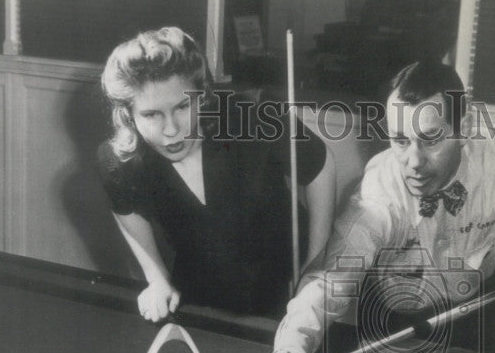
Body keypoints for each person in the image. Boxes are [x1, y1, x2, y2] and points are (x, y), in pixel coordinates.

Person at [256, 59, 495, 353]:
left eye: (430, 140)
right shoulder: (378, 193)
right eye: (400, 141)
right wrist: (289, 350)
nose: (413, 162)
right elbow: (330, 280)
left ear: (464, 128)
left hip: (481, 301)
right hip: (399, 306)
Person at [98, 27, 336, 320]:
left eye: (183, 106)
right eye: (151, 114)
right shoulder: (121, 160)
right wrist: (156, 277)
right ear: (128, 115)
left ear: (201, 96)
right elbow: (125, 207)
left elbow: (320, 166)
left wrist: (314, 265)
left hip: (284, 278)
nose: (171, 130)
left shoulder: (252, 115)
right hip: (203, 284)